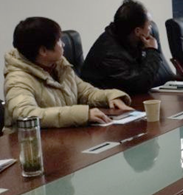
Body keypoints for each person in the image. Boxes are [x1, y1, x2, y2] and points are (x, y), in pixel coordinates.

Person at [3, 17, 132, 128]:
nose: (63, 44)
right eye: (59, 40)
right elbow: (26, 114)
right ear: (43, 51)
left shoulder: (59, 66)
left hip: (65, 137)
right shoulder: (17, 79)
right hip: (31, 144)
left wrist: (111, 96)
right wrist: (82, 115)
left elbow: (86, 93)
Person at [81, 0, 166, 95]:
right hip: (102, 102)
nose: (150, 29)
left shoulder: (130, 39)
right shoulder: (109, 54)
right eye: (149, 25)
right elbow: (140, 86)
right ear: (137, 31)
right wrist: (152, 51)